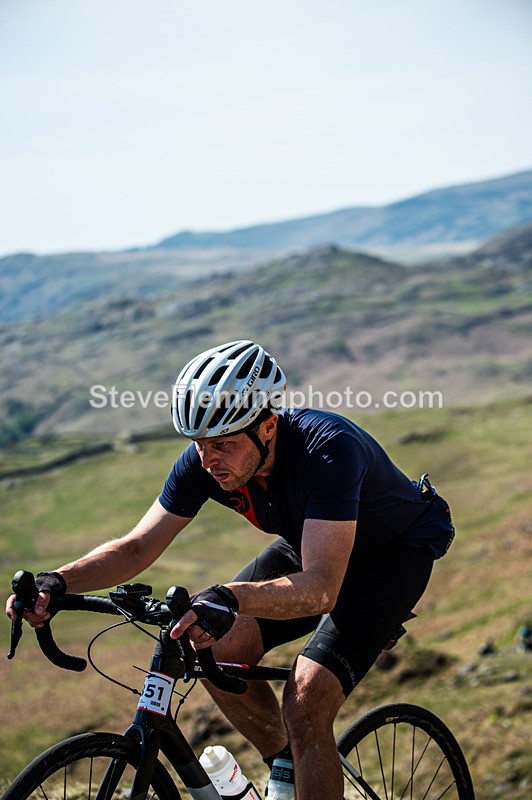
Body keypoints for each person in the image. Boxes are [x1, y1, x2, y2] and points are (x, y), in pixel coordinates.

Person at [6, 340, 455, 799]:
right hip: (313, 543)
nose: (208, 460)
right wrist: (57, 581)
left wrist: (230, 596)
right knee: (216, 647)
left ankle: (302, 748)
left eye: (222, 444)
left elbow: (322, 590)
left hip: (393, 552)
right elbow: (137, 548)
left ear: (267, 427)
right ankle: (289, 769)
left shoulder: (329, 449)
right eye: (199, 444)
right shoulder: (207, 463)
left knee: (306, 700)